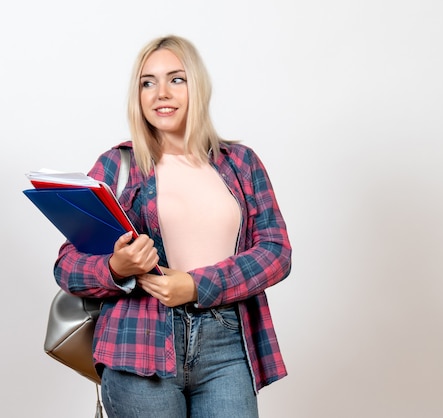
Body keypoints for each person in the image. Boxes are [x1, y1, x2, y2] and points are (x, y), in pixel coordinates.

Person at [54, 35, 292, 418]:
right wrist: (117, 268)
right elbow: (67, 266)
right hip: (137, 344)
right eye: (148, 82)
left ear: (197, 86)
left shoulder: (241, 163)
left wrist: (197, 285)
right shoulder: (118, 166)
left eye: (176, 79)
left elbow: (276, 253)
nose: (161, 93)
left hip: (227, 345)